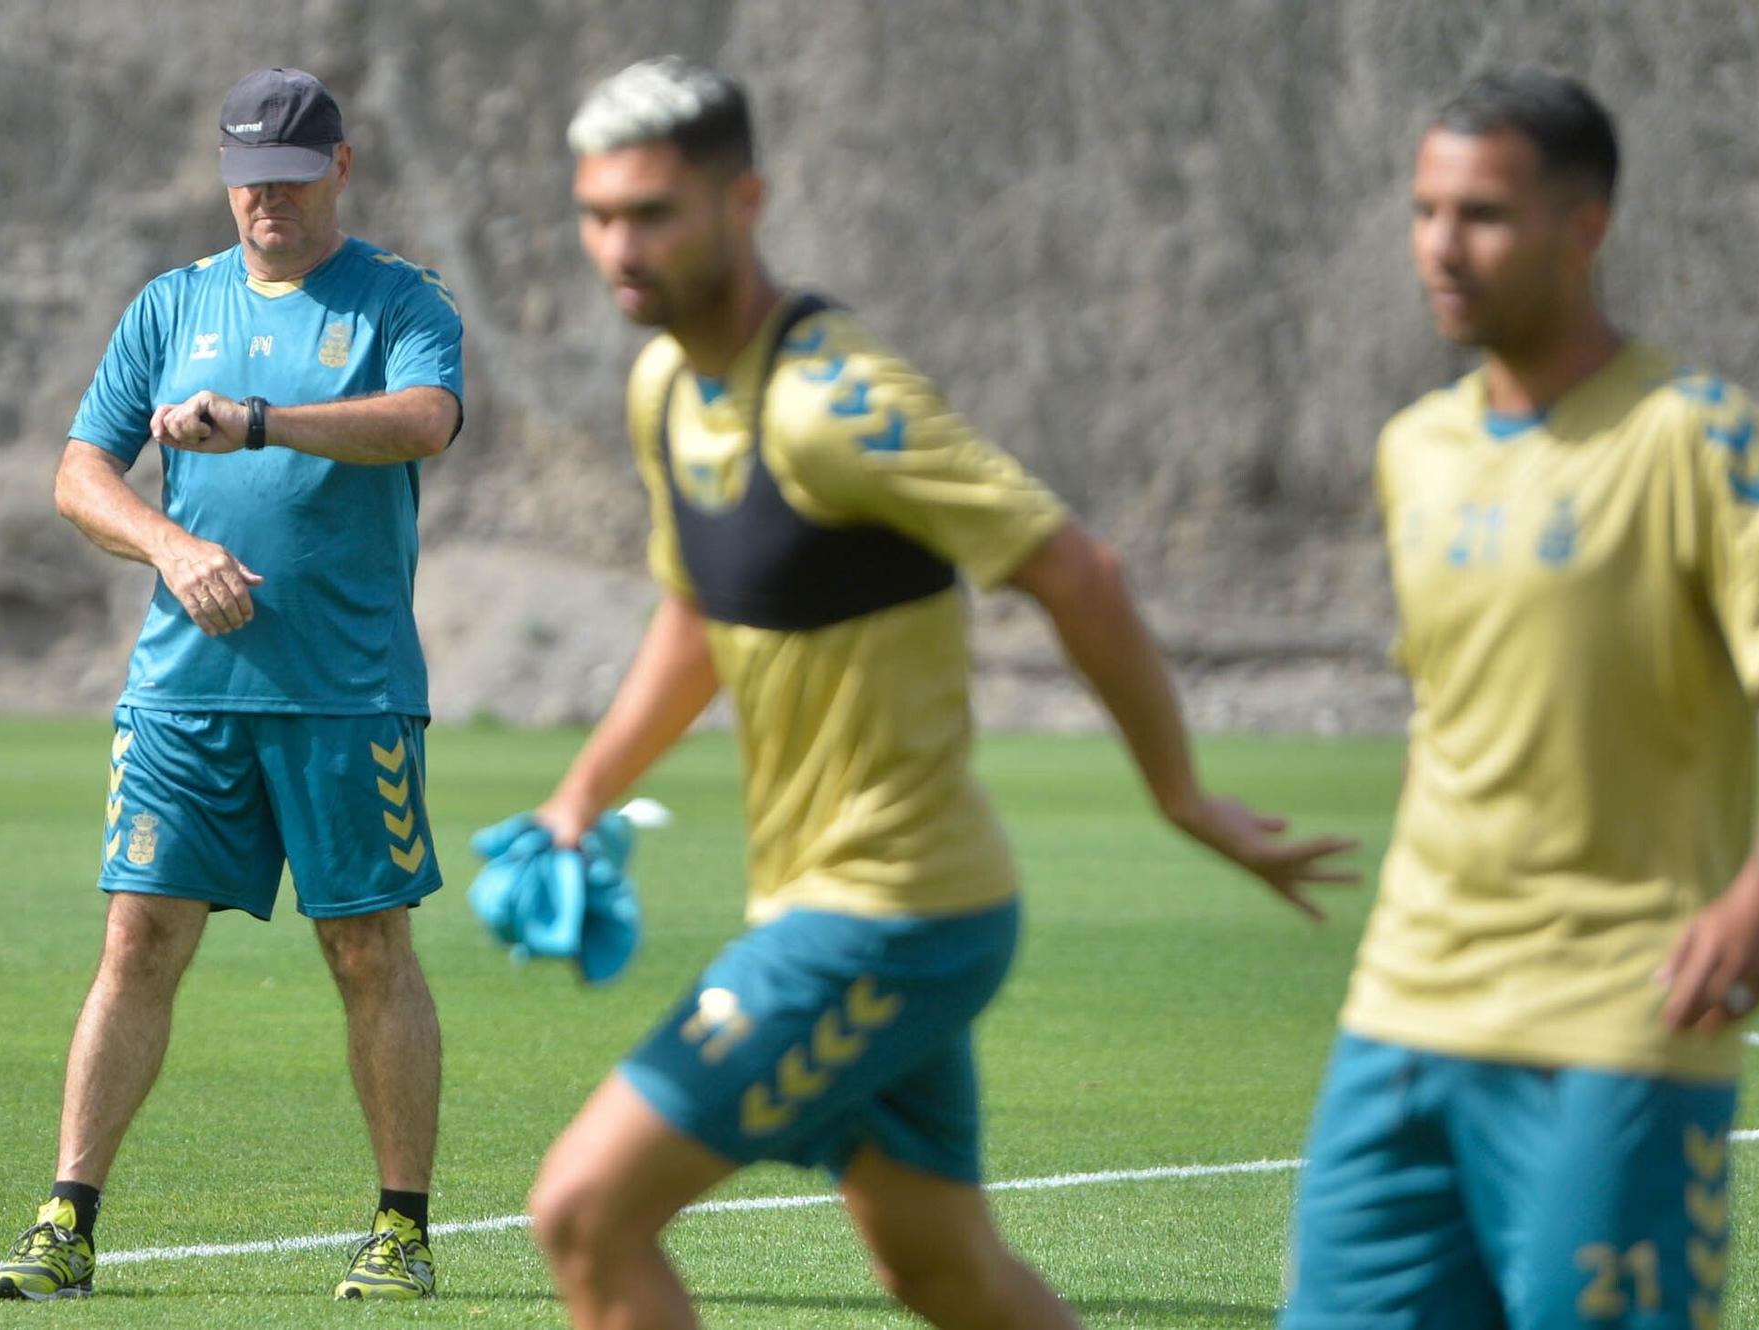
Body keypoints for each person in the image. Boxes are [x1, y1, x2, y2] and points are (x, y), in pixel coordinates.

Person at [521, 56, 1359, 1330]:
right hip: (846, 900)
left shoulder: (833, 405)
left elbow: (1076, 570)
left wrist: (1180, 795)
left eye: (652, 213)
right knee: (944, 1274)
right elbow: (700, 608)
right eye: (597, 215)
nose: (617, 247)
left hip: (885, 917)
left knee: (585, 1211)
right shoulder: (667, 390)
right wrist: (578, 796)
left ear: (742, 202)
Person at [1280, 67, 1759, 1329]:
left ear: (1583, 225)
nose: (1441, 245)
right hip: (1402, 1007)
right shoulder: (1411, 452)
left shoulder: (1696, 436)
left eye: (1482, 213)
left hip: (1617, 1014)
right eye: (1425, 209)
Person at [0, 67, 463, 1302]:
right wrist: (173, 545)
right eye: (248, 181)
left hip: (347, 692)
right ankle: (65, 1219)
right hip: (184, 694)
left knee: (366, 948)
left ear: (338, 172)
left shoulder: (399, 299)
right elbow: (81, 474)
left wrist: (264, 421)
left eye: (292, 182)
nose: (268, 204)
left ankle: (399, 1226)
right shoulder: (170, 303)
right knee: (136, 937)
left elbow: (423, 421)